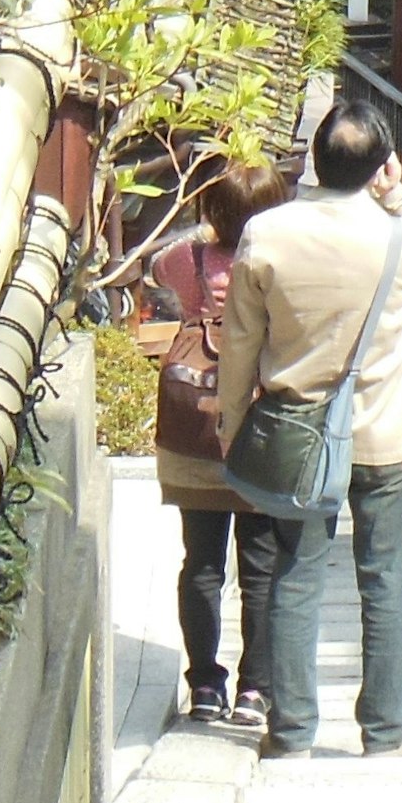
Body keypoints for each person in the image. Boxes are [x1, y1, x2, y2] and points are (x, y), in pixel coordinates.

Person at [217, 102, 402, 759]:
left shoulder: (265, 234)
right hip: (389, 428)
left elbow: (240, 343)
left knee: (296, 575)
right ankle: (384, 730)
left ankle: (290, 729)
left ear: (313, 159)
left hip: (298, 432)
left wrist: (232, 420)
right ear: (380, 164)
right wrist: (397, 191)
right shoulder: (399, 233)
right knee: (387, 581)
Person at [153, 160, 296, 727]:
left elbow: (158, 267)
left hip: (197, 437)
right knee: (261, 565)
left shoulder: (188, 261)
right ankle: (255, 690)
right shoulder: (279, 265)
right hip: (260, 433)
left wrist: (205, 227)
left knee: (202, 565)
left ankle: (205, 685)